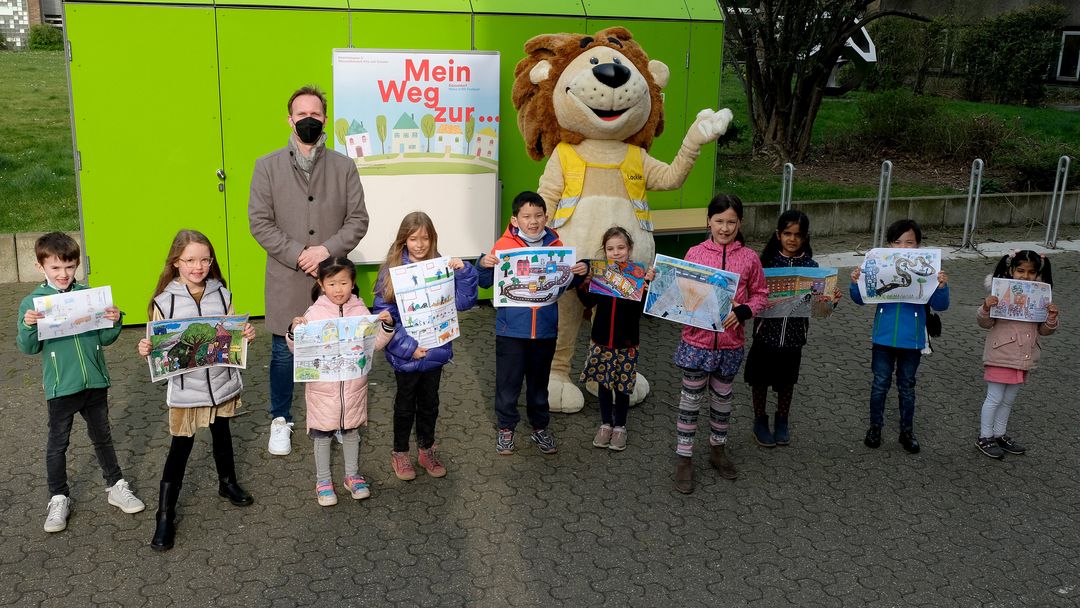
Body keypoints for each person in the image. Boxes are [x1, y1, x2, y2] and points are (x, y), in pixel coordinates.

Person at [249, 85, 370, 457]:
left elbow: (358, 220)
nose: (308, 120)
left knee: (335, 349)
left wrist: (325, 250)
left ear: (325, 119)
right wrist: (300, 252)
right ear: (289, 119)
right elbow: (259, 222)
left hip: (333, 281)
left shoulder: (344, 166)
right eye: (301, 114)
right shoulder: (266, 166)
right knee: (284, 353)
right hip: (286, 277)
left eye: (315, 114)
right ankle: (280, 419)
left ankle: (335, 419)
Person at [17, 232, 145, 533]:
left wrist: (115, 320)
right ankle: (58, 497)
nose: (64, 274)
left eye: (70, 267)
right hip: (61, 387)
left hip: (95, 382)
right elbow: (28, 348)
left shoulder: (88, 296)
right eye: (56, 268)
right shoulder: (32, 303)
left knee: (103, 438)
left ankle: (115, 485)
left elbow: (104, 338)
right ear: (41, 268)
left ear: (77, 266)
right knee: (57, 444)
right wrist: (28, 326)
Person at [138, 230, 256, 551]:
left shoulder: (222, 293)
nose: (198, 266)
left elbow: (233, 330)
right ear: (176, 262)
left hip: (220, 381)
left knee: (222, 432)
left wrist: (245, 332)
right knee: (181, 446)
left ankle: (227, 483)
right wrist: (148, 347)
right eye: (190, 260)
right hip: (187, 389)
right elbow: (158, 344)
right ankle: (165, 514)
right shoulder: (165, 301)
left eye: (205, 259)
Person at [476, 191, 588, 456]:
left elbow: (564, 283)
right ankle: (506, 428)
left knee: (539, 383)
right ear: (515, 220)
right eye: (526, 216)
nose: (533, 221)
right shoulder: (503, 246)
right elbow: (484, 282)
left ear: (546, 217)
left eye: (538, 215)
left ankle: (540, 427)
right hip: (511, 331)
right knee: (508, 383)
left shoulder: (556, 245)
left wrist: (579, 272)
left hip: (546, 331)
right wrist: (483, 265)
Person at [671, 195, 768, 494]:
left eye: (731, 222)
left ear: (740, 223)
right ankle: (684, 458)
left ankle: (717, 450)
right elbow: (678, 291)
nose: (725, 228)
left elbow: (761, 294)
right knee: (690, 401)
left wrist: (744, 310)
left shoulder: (750, 258)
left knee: (722, 402)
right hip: (696, 342)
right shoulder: (695, 253)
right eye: (719, 221)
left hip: (729, 344)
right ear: (709, 221)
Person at [372, 212, 479, 480]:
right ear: (403, 240)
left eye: (425, 238)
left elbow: (463, 303)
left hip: (435, 351)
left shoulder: (441, 268)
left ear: (433, 239)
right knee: (405, 404)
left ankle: (427, 448)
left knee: (430, 402)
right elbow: (385, 317)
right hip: (407, 355)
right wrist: (408, 348)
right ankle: (400, 452)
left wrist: (464, 272)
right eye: (413, 238)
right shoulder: (391, 272)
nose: (420, 244)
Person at [288, 257, 393, 505]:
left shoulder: (360, 310)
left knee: (351, 432)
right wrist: (294, 332)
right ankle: (323, 481)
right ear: (321, 284)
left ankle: (352, 476)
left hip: (354, 389)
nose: (338, 289)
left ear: (352, 283)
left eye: (344, 283)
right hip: (322, 391)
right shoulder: (314, 313)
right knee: (322, 435)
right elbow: (296, 350)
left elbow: (374, 345)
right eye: (332, 283)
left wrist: (387, 327)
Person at [849, 219, 949, 454]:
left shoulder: (928, 270)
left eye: (909, 242)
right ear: (889, 245)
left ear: (919, 245)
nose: (903, 247)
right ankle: (875, 428)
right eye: (897, 242)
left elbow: (941, 305)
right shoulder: (880, 266)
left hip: (912, 340)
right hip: (883, 338)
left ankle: (907, 431)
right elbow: (861, 299)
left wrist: (942, 286)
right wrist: (856, 283)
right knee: (880, 384)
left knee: (907, 386)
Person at [743, 210, 840, 447]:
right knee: (760, 379)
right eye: (787, 233)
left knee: (787, 381)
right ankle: (760, 420)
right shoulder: (765, 264)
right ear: (778, 234)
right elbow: (751, 296)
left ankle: (782, 419)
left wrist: (830, 302)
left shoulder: (812, 268)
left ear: (805, 237)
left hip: (795, 337)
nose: (792, 239)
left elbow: (819, 310)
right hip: (765, 335)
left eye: (798, 234)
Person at [576, 227, 654, 451]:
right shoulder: (601, 275)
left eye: (621, 247)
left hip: (627, 343)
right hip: (600, 340)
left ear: (629, 249)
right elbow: (587, 302)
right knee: (603, 384)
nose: (616, 252)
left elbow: (642, 310)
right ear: (605, 251)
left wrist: (647, 287)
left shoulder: (637, 276)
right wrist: (584, 282)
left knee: (622, 387)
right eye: (610, 248)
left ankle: (620, 426)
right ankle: (605, 424)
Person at [975, 251, 1058, 459]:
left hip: (1024, 357)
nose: (1025, 276)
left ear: (1037, 273)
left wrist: (1052, 318)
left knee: (1008, 400)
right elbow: (984, 323)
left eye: (1031, 272)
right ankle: (985, 436)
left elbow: (1045, 330)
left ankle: (999, 434)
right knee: (994, 398)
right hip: (1000, 354)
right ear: (1011, 270)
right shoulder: (1000, 293)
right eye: (1020, 270)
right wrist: (986, 307)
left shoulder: (1040, 296)